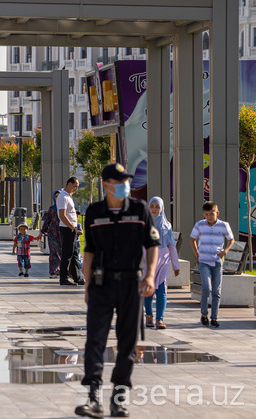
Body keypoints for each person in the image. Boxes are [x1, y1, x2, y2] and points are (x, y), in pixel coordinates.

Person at [76, 163, 160, 418]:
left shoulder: (139, 209)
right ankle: (93, 397)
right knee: (95, 340)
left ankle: (119, 398)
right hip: (101, 285)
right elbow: (88, 251)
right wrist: (87, 285)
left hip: (130, 285)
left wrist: (150, 275)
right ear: (106, 184)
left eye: (126, 181)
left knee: (128, 343)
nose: (125, 185)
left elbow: (152, 244)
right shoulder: (94, 212)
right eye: (119, 181)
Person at [190, 201, 234, 328]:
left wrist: (225, 251)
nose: (209, 216)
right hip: (203, 261)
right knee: (206, 288)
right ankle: (204, 314)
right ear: (204, 214)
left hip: (217, 262)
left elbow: (231, 239)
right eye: (206, 214)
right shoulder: (199, 225)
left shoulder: (224, 225)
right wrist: (197, 254)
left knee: (216, 291)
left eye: (212, 214)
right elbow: (192, 239)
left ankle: (214, 317)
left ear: (217, 213)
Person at [144, 197, 180, 330]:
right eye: (151, 206)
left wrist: (176, 266)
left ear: (162, 208)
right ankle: (149, 317)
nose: (154, 209)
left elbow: (172, 246)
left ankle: (160, 319)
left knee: (161, 290)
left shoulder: (166, 225)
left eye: (157, 207)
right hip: (147, 259)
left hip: (163, 260)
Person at [57, 177, 84, 286]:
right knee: (67, 254)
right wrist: (71, 227)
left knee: (74, 254)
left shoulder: (68, 196)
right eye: (75, 186)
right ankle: (63, 278)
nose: (76, 188)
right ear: (69, 184)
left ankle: (77, 278)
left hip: (72, 228)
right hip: (67, 228)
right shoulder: (62, 196)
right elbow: (62, 215)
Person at [40, 190, 62, 279]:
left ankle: (62, 270)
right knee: (53, 252)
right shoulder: (52, 209)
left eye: (59, 196)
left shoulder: (65, 207)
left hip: (63, 233)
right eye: (56, 196)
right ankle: (53, 271)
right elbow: (47, 221)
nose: (57, 198)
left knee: (62, 252)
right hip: (52, 234)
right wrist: (42, 232)